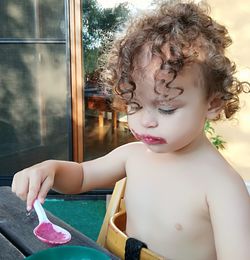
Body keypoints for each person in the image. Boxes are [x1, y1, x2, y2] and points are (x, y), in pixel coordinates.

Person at [12, 1, 250, 259]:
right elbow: (81, 177)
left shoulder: (222, 188)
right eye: (134, 105)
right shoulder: (134, 155)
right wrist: (51, 170)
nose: (145, 121)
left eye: (166, 109)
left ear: (213, 104)